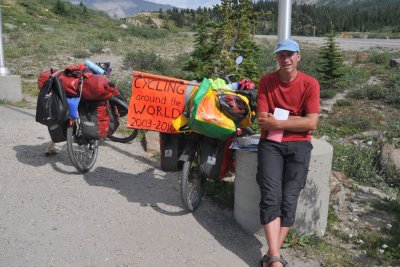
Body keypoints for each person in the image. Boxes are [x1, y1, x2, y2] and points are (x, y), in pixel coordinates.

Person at [256, 39, 320, 267]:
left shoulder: (310, 84)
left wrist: (279, 122)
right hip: (271, 145)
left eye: (290, 55)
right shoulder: (266, 82)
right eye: (282, 55)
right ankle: (275, 259)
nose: (286, 59)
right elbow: (262, 120)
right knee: (270, 196)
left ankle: (271, 256)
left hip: (299, 146)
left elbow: (311, 123)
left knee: (289, 200)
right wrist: (296, 121)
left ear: (298, 57)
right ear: (277, 58)